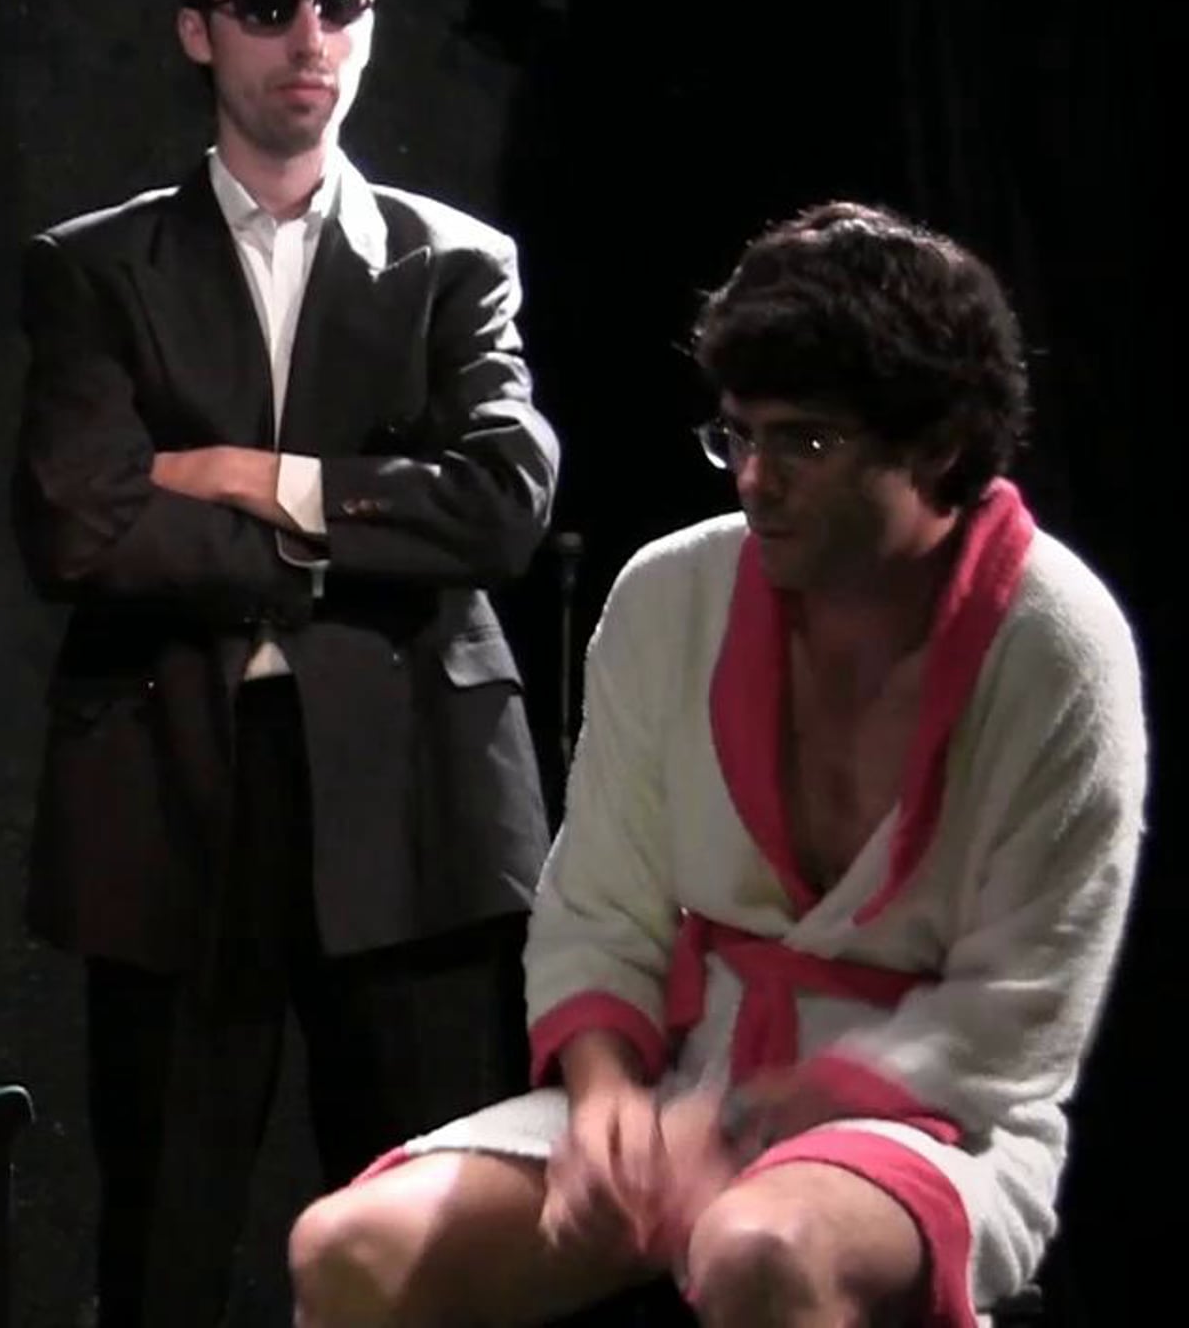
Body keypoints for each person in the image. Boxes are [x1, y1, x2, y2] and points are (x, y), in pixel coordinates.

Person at [286, 201, 1149, 1328]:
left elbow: (1015, 1014)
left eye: (806, 443)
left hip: (941, 1117)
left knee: (759, 1249)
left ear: (937, 447)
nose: (753, 478)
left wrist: (751, 1126)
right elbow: (599, 908)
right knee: (350, 1249)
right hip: (692, 1081)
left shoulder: (1056, 643)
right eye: (739, 435)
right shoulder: (669, 596)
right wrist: (607, 1103)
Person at [9, 0, 561, 1321]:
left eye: (342, 1)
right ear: (197, 30)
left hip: (412, 790)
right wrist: (354, 537)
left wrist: (260, 478)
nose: (312, 37)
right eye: (267, 4)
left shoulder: (456, 260)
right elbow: (81, 527)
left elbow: (503, 503)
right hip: (176, 782)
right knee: (162, 1246)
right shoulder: (96, 266)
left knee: (429, 1246)